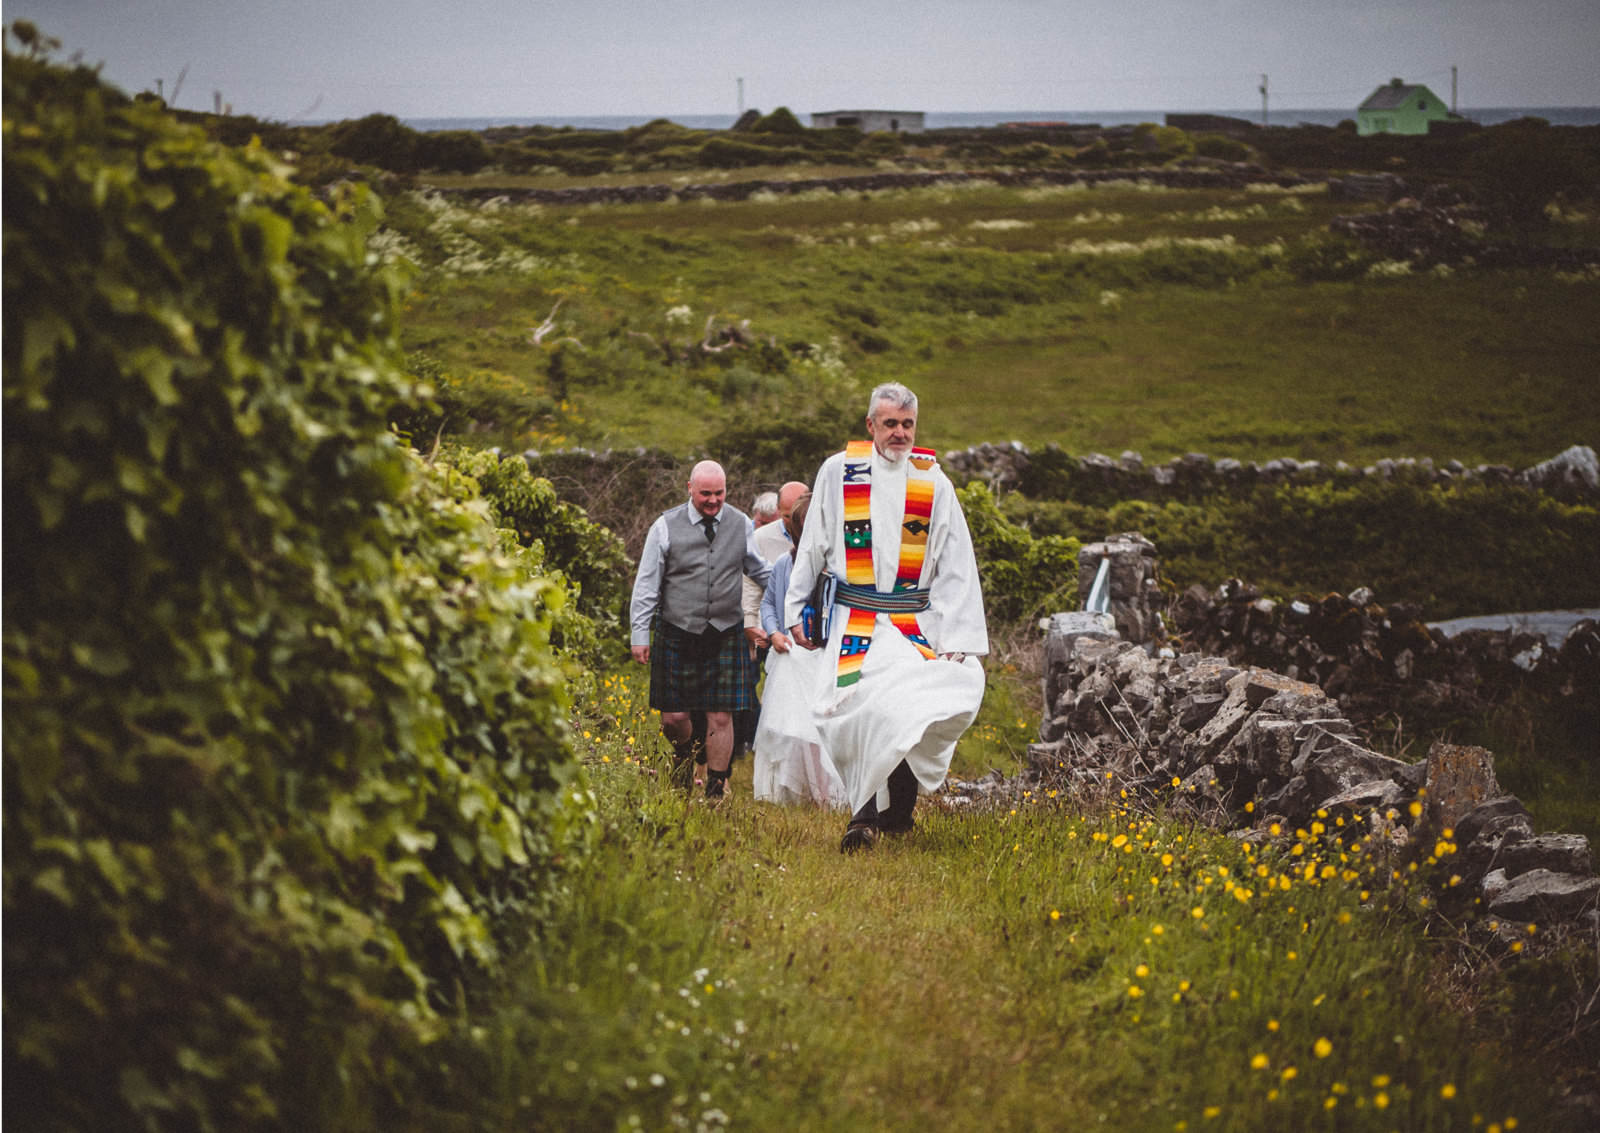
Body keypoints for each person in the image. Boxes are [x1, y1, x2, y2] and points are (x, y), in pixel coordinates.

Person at [785, 383, 988, 851]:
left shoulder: (933, 482)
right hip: (852, 619)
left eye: (907, 424)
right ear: (870, 425)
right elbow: (813, 542)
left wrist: (959, 633)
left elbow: (957, 563)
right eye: (890, 423)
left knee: (905, 707)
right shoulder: (839, 472)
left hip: (911, 625)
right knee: (855, 709)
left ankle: (898, 808)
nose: (899, 433)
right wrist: (795, 608)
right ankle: (863, 816)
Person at [630, 460, 772, 799]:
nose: (713, 500)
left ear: (727, 491)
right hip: (677, 631)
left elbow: (760, 570)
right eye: (705, 493)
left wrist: (791, 600)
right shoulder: (664, 526)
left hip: (724, 631)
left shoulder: (740, 524)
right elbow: (647, 584)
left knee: (720, 715)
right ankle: (683, 755)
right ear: (689, 489)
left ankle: (716, 788)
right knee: (673, 718)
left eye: (719, 493)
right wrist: (639, 634)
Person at [752, 493, 848, 809]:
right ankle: (793, 792)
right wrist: (774, 632)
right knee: (787, 727)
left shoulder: (840, 569)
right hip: (790, 655)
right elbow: (768, 603)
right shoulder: (785, 563)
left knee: (822, 729)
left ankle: (828, 794)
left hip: (825, 657)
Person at [733, 481, 811, 760]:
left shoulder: (824, 540)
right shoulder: (763, 539)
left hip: (811, 637)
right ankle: (755, 744)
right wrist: (753, 627)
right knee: (761, 687)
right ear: (780, 512)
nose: (793, 522)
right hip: (770, 629)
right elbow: (753, 588)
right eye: (788, 516)